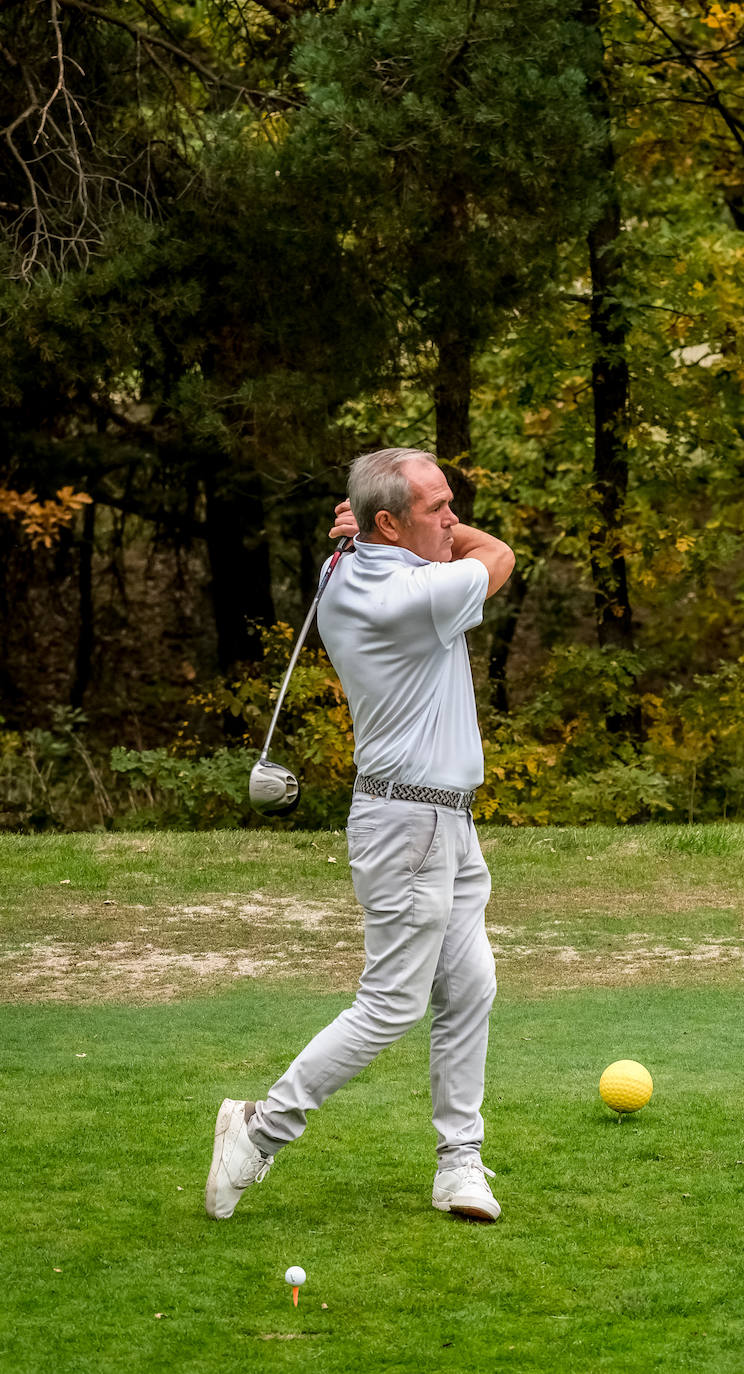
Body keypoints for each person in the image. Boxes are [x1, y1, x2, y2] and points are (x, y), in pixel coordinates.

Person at [206, 447, 515, 1223]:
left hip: (445, 820)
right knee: (391, 1004)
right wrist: (433, 536)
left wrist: (380, 532)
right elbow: (499, 556)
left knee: (470, 986)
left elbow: (422, 544)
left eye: (452, 504)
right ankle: (260, 1126)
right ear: (388, 522)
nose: (451, 519)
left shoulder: (345, 565)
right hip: (407, 824)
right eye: (437, 507)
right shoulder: (404, 593)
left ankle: (459, 1165)